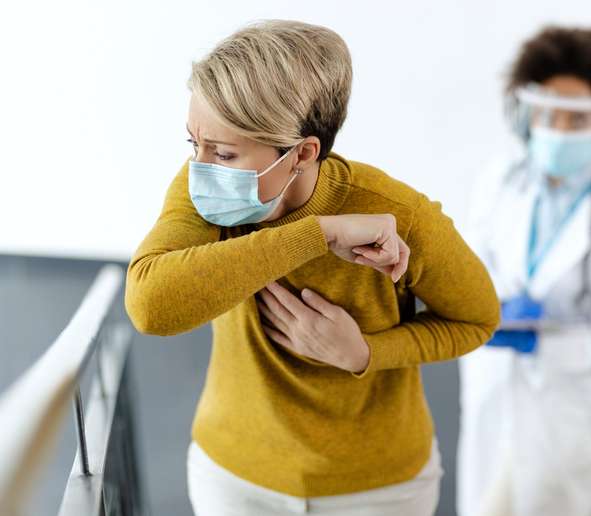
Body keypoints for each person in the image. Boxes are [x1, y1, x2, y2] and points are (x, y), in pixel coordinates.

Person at [124, 20, 500, 516]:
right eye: (194, 144)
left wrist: (364, 352)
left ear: (302, 153)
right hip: (233, 479)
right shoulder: (201, 192)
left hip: (378, 490)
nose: (202, 166)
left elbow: (478, 321)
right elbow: (151, 307)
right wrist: (319, 234)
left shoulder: (403, 216)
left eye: (225, 152)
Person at [457, 27, 591, 516]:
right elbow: (474, 266)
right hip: (495, 388)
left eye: (577, 118)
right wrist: (485, 310)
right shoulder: (499, 181)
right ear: (526, 113)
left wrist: (537, 341)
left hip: (566, 411)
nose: (559, 130)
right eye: (549, 114)